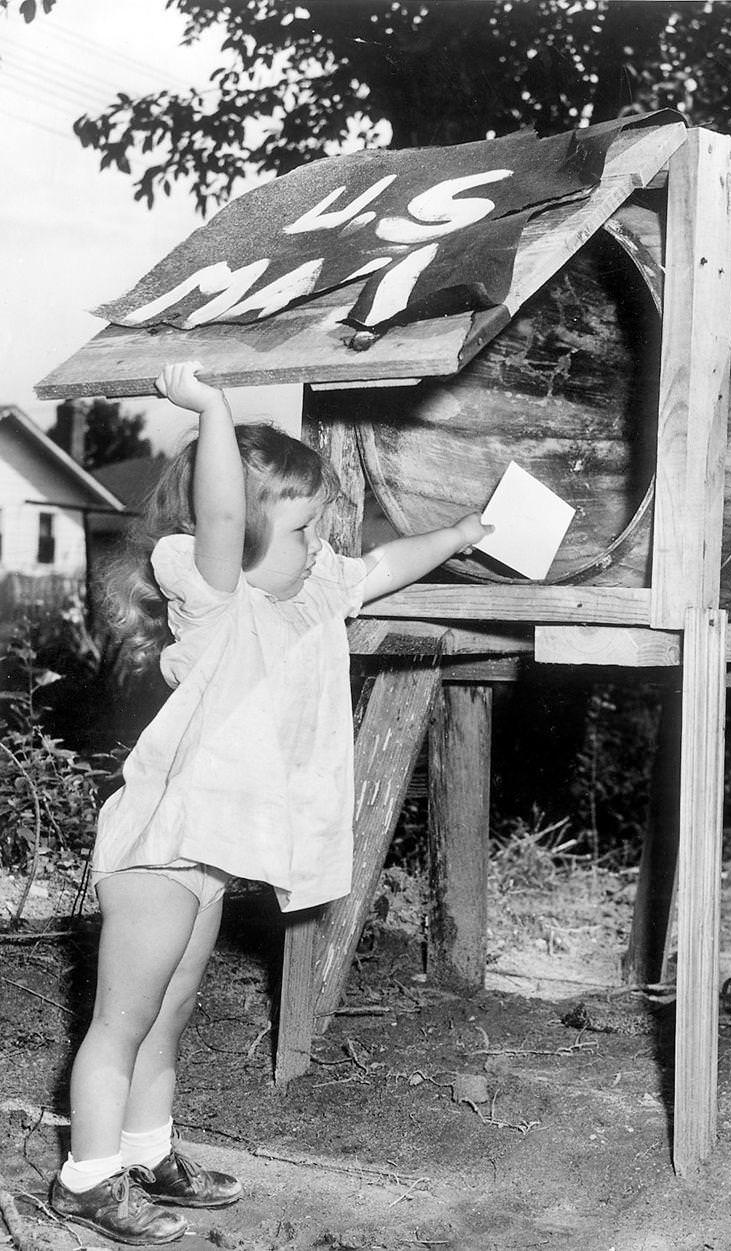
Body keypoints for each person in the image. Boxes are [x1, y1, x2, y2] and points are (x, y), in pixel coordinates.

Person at [51, 361, 492, 1245]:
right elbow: (219, 513)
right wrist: (214, 409)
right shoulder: (220, 601)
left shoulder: (312, 594)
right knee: (123, 1018)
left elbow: (380, 562)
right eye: (299, 528)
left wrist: (460, 532)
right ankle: (87, 1177)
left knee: (170, 1013)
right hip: (157, 848)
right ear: (246, 539)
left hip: (204, 861)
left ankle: (148, 1151)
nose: (321, 543)